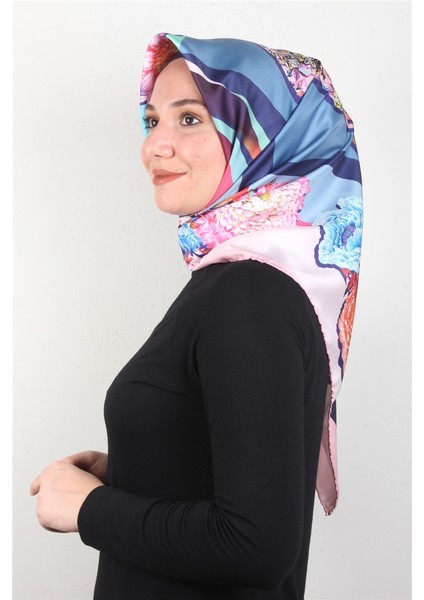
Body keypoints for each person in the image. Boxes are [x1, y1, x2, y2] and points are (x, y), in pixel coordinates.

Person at [30, 33, 363, 599]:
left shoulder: (249, 293)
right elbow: (243, 484)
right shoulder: (241, 284)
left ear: (270, 138)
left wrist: (88, 508)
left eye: (189, 119)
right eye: (152, 121)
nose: (153, 147)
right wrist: (142, 463)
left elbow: (254, 545)